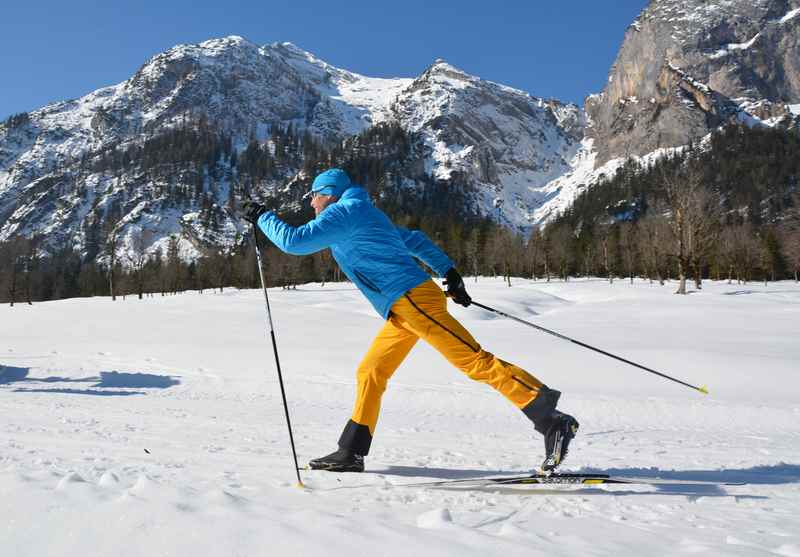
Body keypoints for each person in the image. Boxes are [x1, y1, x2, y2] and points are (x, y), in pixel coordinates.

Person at [243, 168, 578, 473]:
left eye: (313, 196)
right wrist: (450, 273)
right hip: (402, 307)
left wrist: (263, 217)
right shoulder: (364, 214)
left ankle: (549, 418)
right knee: (371, 370)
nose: (312, 204)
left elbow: (294, 242)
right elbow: (414, 240)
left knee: (474, 361)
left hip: (412, 300)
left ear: (328, 193)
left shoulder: (345, 212)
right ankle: (351, 451)